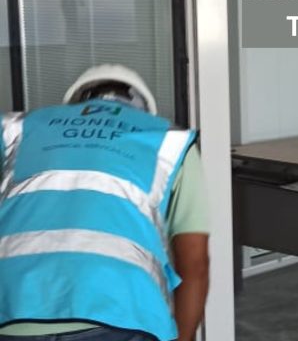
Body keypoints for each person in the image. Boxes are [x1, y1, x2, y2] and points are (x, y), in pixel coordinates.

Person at [0, 65, 210, 341]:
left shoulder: (18, 129)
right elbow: (195, 264)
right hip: (122, 310)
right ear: (143, 110)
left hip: (14, 306)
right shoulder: (169, 142)